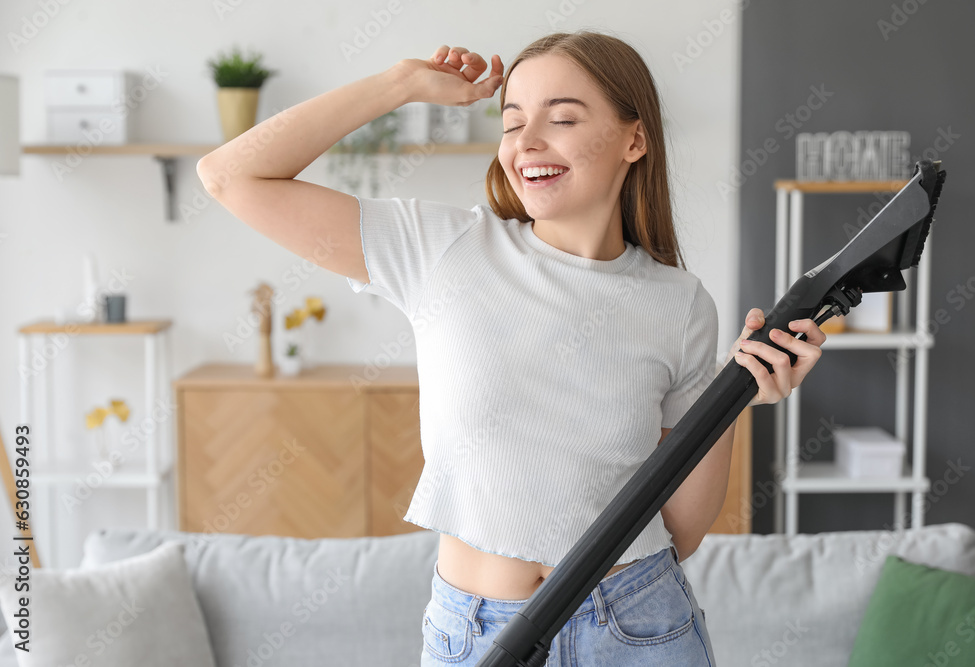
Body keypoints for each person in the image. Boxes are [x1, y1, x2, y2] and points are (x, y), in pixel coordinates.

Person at [198, 29, 826, 667]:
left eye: (562, 118)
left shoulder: (681, 303)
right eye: (512, 121)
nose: (527, 142)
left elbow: (680, 532)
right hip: (477, 634)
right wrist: (401, 85)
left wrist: (735, 392)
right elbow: (229, 175)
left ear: (634, 140)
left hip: (640, 624)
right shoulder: (441, 249)